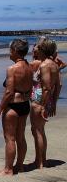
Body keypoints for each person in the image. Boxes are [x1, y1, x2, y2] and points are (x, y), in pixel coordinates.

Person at [0, 39, 33, 176]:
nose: (9, 53)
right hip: (25, 105)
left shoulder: (12, 69)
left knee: (10, 138)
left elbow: (9, 92)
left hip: (13, 106)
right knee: (20, 137)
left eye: (10, 50)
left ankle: (8, 169)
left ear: (15, 51)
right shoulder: (29, 67)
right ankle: (19, 166)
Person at [29, 38, 61, 169]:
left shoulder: (45, 65)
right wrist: (53, 103)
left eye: (38, 46)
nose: (35, 48)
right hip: (45, 101)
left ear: (43, 49)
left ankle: (40, 162)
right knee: (40, 130)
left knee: (37, 131)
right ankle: (42, 160)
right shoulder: (52, 64)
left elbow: (47, 88)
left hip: (39, 101)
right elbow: (58, 85)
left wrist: (43, 106)